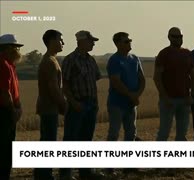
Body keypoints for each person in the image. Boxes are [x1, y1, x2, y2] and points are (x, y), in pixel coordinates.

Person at [59, 30, 103, 180]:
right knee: (71, 139)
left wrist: (95, 104)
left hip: (91, 104)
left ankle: (85, 172)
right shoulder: (70, 60)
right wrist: (73, 102)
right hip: (77, 104)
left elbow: (95, 78)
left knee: (86, 139)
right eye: (91, 41)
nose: (93, 43)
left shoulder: (91, 60)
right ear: (81, 41)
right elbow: (64, 85)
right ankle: (65, 174)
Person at [106, 32, 145, 175]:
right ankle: (109, 167)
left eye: (130, 40)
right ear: (117, 44)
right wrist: (131, 95)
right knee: (114, 134)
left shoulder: (135, 59)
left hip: (131, 104)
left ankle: (129, 165)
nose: (129, 43)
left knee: (131, 134)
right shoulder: (114, 60)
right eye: (126, 41)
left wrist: (137, 95)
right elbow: (115, 81)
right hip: (117, 103)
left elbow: (142, 79)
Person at [153, 27, 194, 141]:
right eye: (175, 36)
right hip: (168, 100)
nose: (178, 39)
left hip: (184, 100)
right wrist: (164, 97)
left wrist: (192, 95)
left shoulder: (187, 53)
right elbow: (157, 77)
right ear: (169, 37)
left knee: (182, 135)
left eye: (180, 36)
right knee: (164, 133)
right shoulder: (164, 54)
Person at [33, 29, 67, 180]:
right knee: (48, 142)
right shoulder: (49, 61)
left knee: (47, 141)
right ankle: (44, 175)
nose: (63, 43)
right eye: (60, 39)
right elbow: (53, 88)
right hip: (48, 107)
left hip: (48, 107)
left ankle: (43, 174)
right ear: (52, 41)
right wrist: (64, 105)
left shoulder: (51, 59)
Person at [0, 34, 23, 180]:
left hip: (7, 112)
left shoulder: (9, 65)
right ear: (8, 49)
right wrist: (13, 111)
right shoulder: (3, 64)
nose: (18, 51)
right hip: (4, 114)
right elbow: (5, 92)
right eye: (16, 48)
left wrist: (18, 106)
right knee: (4, 151)